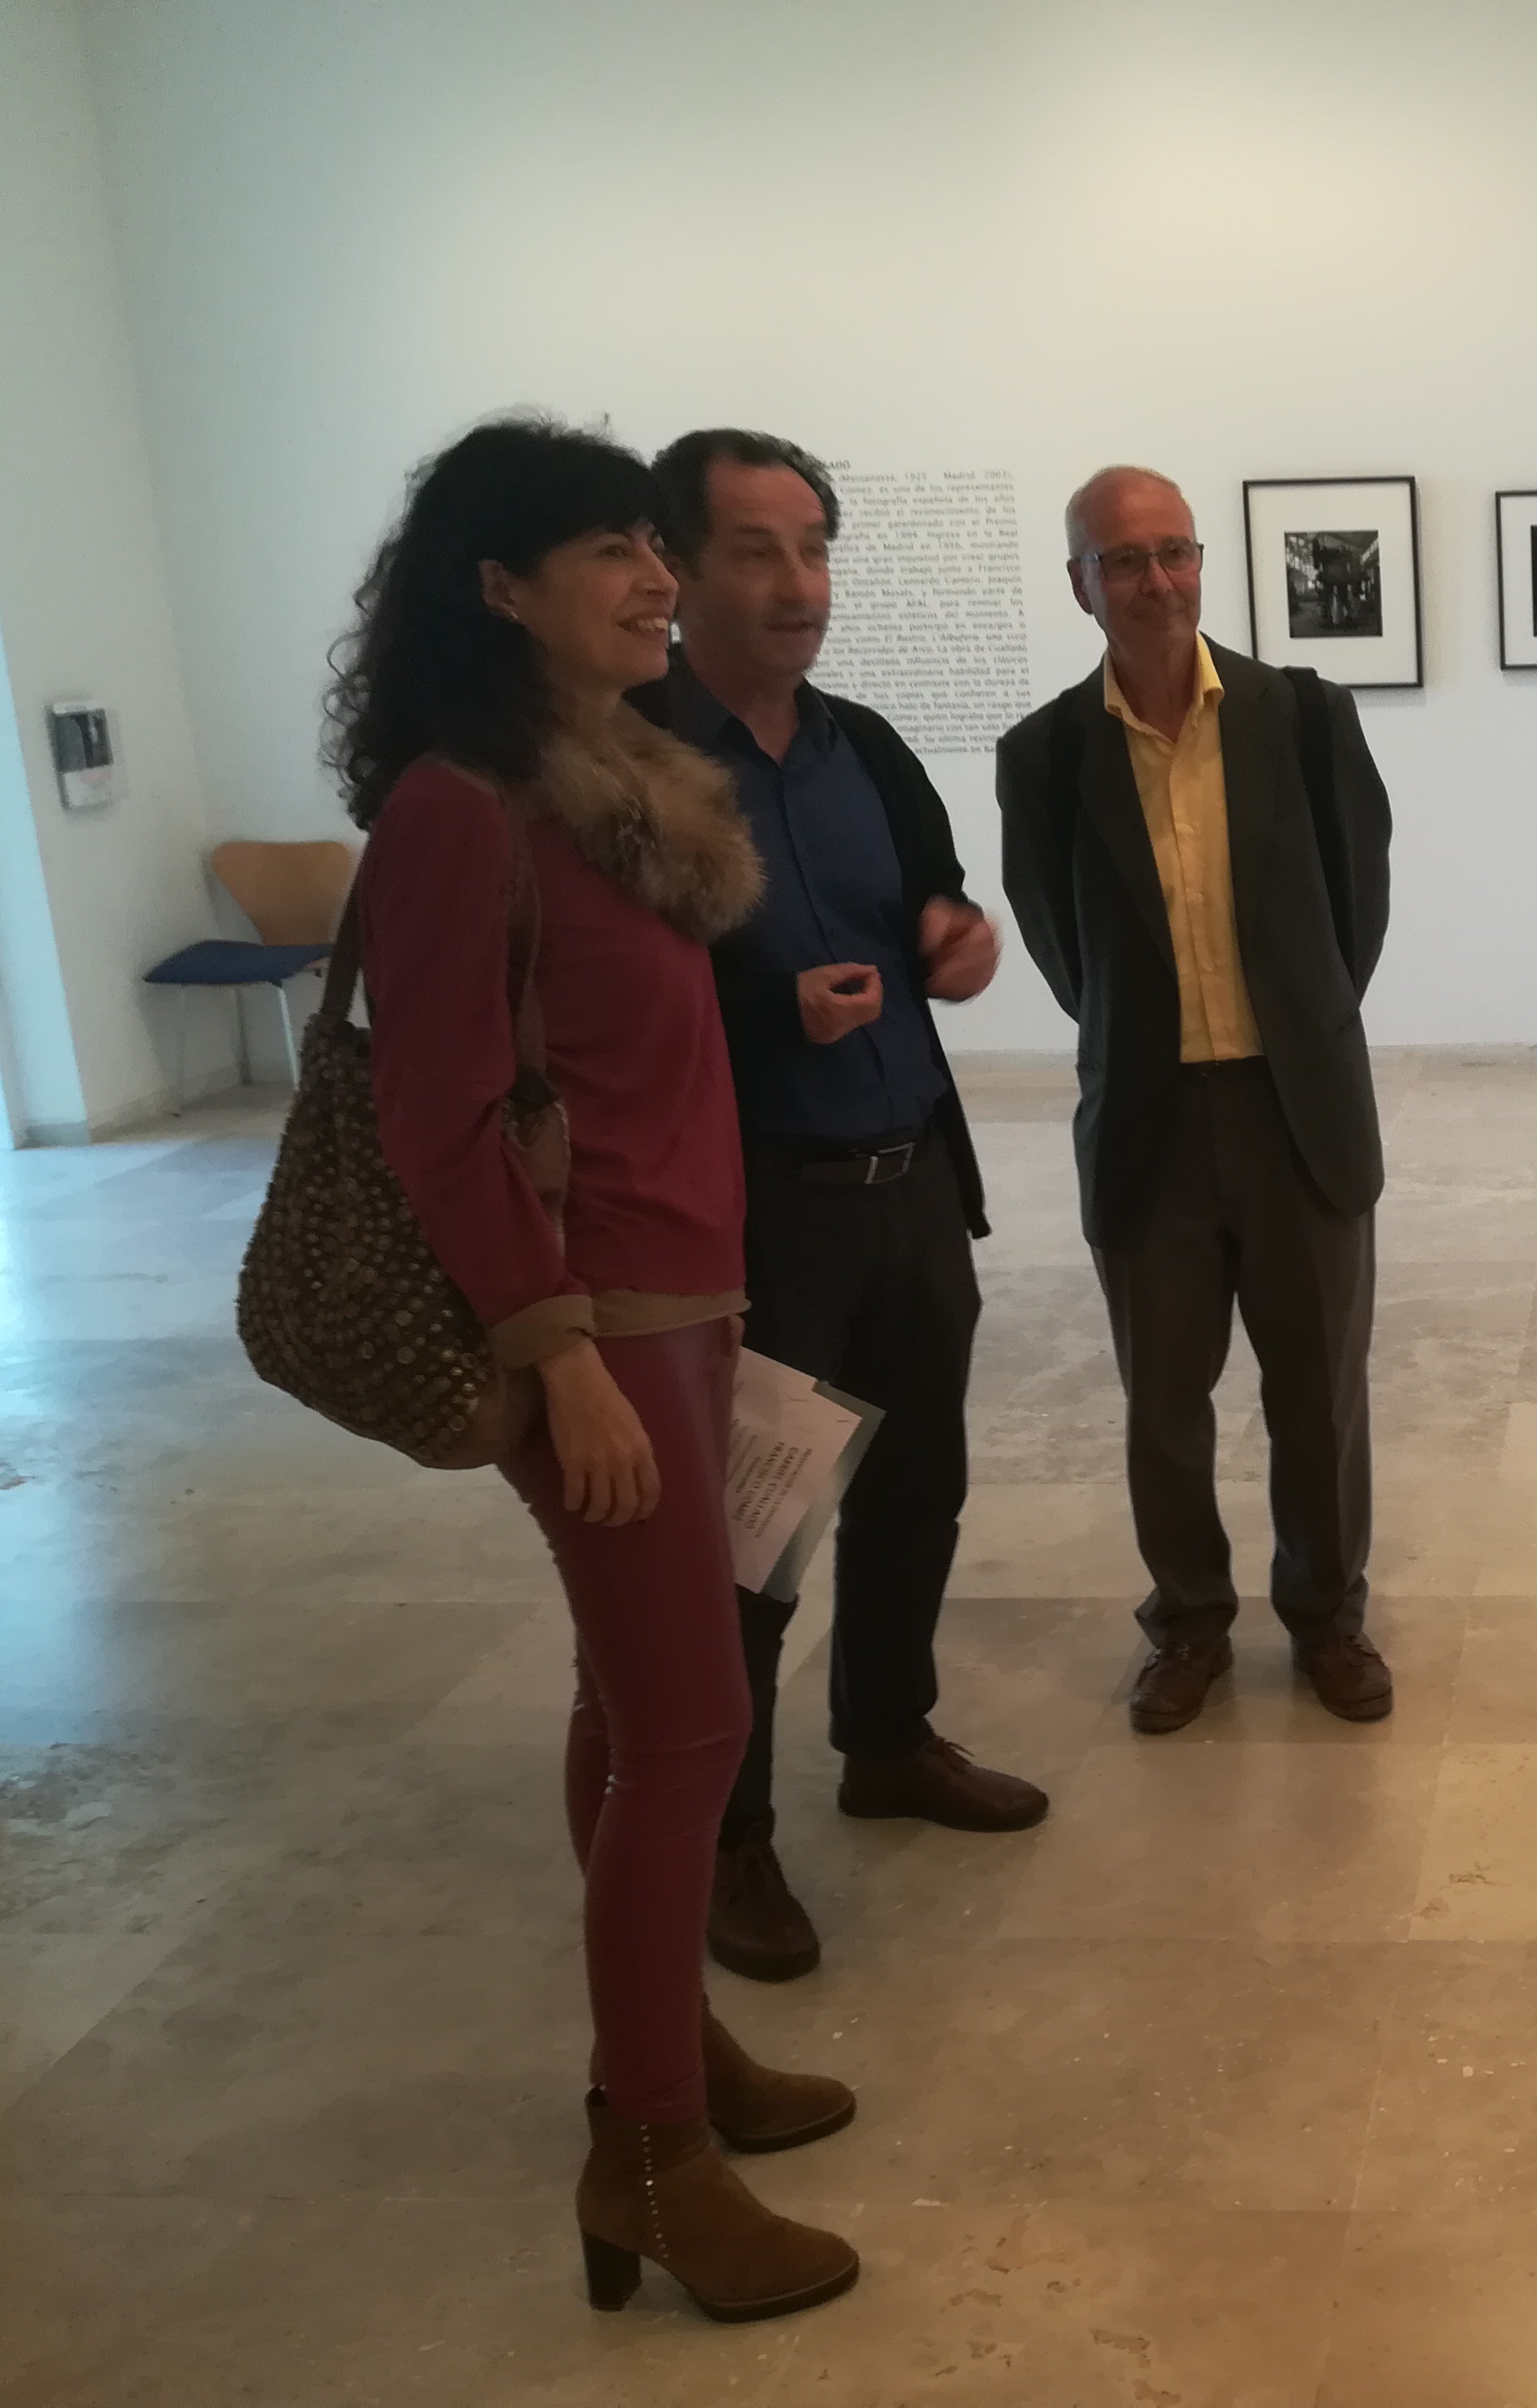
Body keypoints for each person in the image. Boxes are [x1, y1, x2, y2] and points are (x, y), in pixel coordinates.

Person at [337, 417, 856, 2322]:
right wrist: (552, 1356)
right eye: (611, 553)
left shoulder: (607, 785)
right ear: (499, 590)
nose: (657, 579)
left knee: (628, 1707)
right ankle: (650, 2155)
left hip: (678, 1311)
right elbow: (436, 1114)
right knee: (691, 1732)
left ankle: (669, 2050)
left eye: (656, 543)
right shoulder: (458, 812)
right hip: (598, 1337)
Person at [637, 429, 1044, 1990]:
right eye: (756, 550)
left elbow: (938, 899)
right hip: (758, 1216)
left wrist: (960, 939)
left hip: (909, 1180)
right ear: (677, 570)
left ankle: (887, 1738)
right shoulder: (629, 759)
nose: (798, 583)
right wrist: (767, 1014)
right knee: (757, 1531)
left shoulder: (863, 744)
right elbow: (606, 1002)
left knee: (918, 1485)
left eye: (813, 548)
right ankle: (730, 1835)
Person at [996, 468, 1395, 1734]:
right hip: (1148, 1123)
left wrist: (1298, 1032)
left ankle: (1328, 1617)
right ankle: (1188, 1624)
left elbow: (1355, 910)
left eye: (1174, 552)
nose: (1156, 582)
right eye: (1124, 561)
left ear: (1203, 564)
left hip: (1297, 1116)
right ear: (1081, 586)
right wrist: (1148, 1038)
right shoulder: (1045, 754)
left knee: (1318, 1396)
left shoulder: (1305, 718)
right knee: (1164, 1405)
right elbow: (1061, 946)